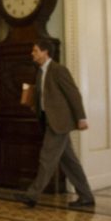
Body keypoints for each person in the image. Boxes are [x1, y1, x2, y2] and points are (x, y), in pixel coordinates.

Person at [15, 39, 95, 208]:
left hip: (59, 123)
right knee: (70, 162)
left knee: (47, 158)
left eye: (35, 51)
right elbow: (44, 97)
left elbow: (73, 94)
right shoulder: (40, 72)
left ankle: (32, 195)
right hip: (49, 122)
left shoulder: (59, 70)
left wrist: (81, 117)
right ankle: (86, 196)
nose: (33, 54)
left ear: (45, 52)